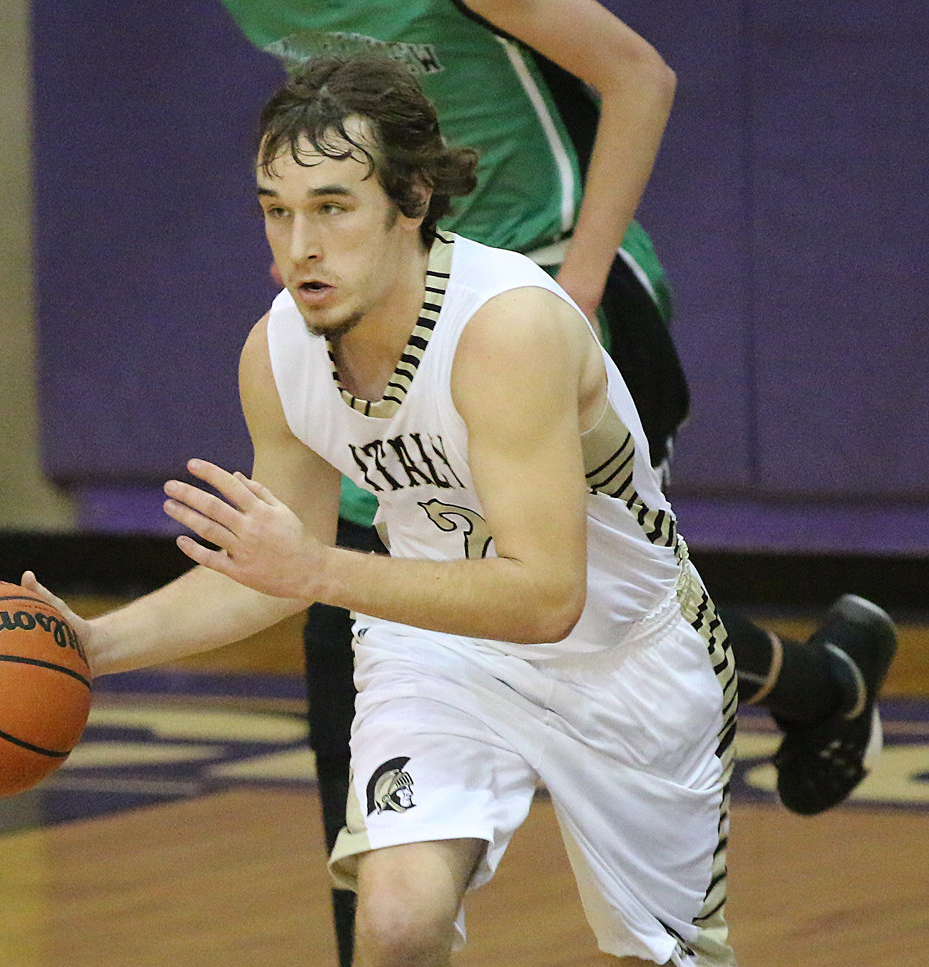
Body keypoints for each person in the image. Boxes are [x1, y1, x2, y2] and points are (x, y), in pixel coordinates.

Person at [210, 7, 898, 959]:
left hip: (541, 294)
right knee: (375, 595)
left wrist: (574, 285)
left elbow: (638, 76)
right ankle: (388, 927)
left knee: (608, 594)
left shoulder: (520, 318)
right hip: (374, 308)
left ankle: (815, 682)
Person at [27, 54, 739, 965]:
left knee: (665, 958)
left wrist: (320, 569)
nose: (299, 248)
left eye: (332, 207)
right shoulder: (277, 352)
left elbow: (546, 596)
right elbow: (273, 580)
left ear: (411, 199)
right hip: (437, 645)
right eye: (276, 212)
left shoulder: (506, 328)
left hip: (624, 654)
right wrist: (93, 647)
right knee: (398, 923)